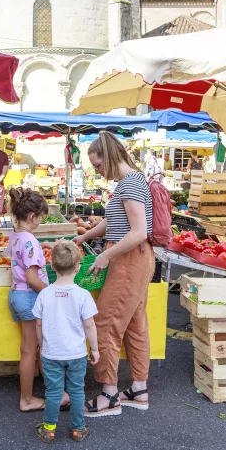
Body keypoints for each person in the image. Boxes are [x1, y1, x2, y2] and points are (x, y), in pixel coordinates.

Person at [73, 131, 154, 417]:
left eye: (97, 165)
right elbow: (113, 221)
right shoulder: (130, 181)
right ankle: (139, 389)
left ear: (107, 157)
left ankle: (109, 395)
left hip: (128, 259)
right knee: (134, 323)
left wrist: (107, 255)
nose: (97, 171)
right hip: (136, 259)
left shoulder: (129, 183)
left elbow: (138, 232)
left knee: (105, 322)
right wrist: (83, 239)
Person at [32, 241, 99, 444]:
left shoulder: (44, 294)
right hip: (76, 353)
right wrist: (94, 348)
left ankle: (49, 429)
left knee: (53, 391)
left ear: (51, 265)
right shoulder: (83, 295)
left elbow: (38, 324)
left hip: (51, 353)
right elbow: (89, 326)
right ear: (78, 267)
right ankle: (78, 428)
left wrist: (41, 344)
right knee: (77, 390)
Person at [7, 186, 58, 413]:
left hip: (17, 295)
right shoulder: (31, 243)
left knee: (36, 346)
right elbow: (32, 277)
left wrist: (42, 245)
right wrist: (50, 292)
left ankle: (49, 389)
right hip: (29, 297)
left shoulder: (17, 235)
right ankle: (26, 399)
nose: (40, 222)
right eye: (40, 218)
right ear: (31, 216)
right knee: (29, 349)